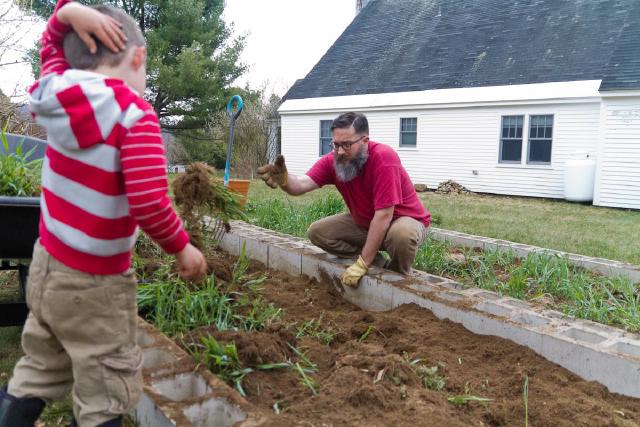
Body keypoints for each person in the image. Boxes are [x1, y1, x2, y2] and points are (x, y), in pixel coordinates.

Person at [0, 1, 206, 426]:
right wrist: (183, 249)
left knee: (39, 369)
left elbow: (51, 49)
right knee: (107, 392)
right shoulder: (135, 116)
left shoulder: (54, 92)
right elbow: (149, 202)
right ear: (138, 57)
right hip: (97, 284)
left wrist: (64, 15)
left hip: (46, 268)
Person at [257, 112, 430, 287]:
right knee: (318, 232)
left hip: (403, 220)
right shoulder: (334, 160)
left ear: (364, 140)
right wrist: (285, 180)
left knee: (402, 235)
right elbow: (301, 184)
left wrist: (362, 263)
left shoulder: (384, 158)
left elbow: (384, 215)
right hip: (366, 222)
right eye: (336, 144)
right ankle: (380, 266)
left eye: (347, 145)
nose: (339, 151)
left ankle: (399, 278)